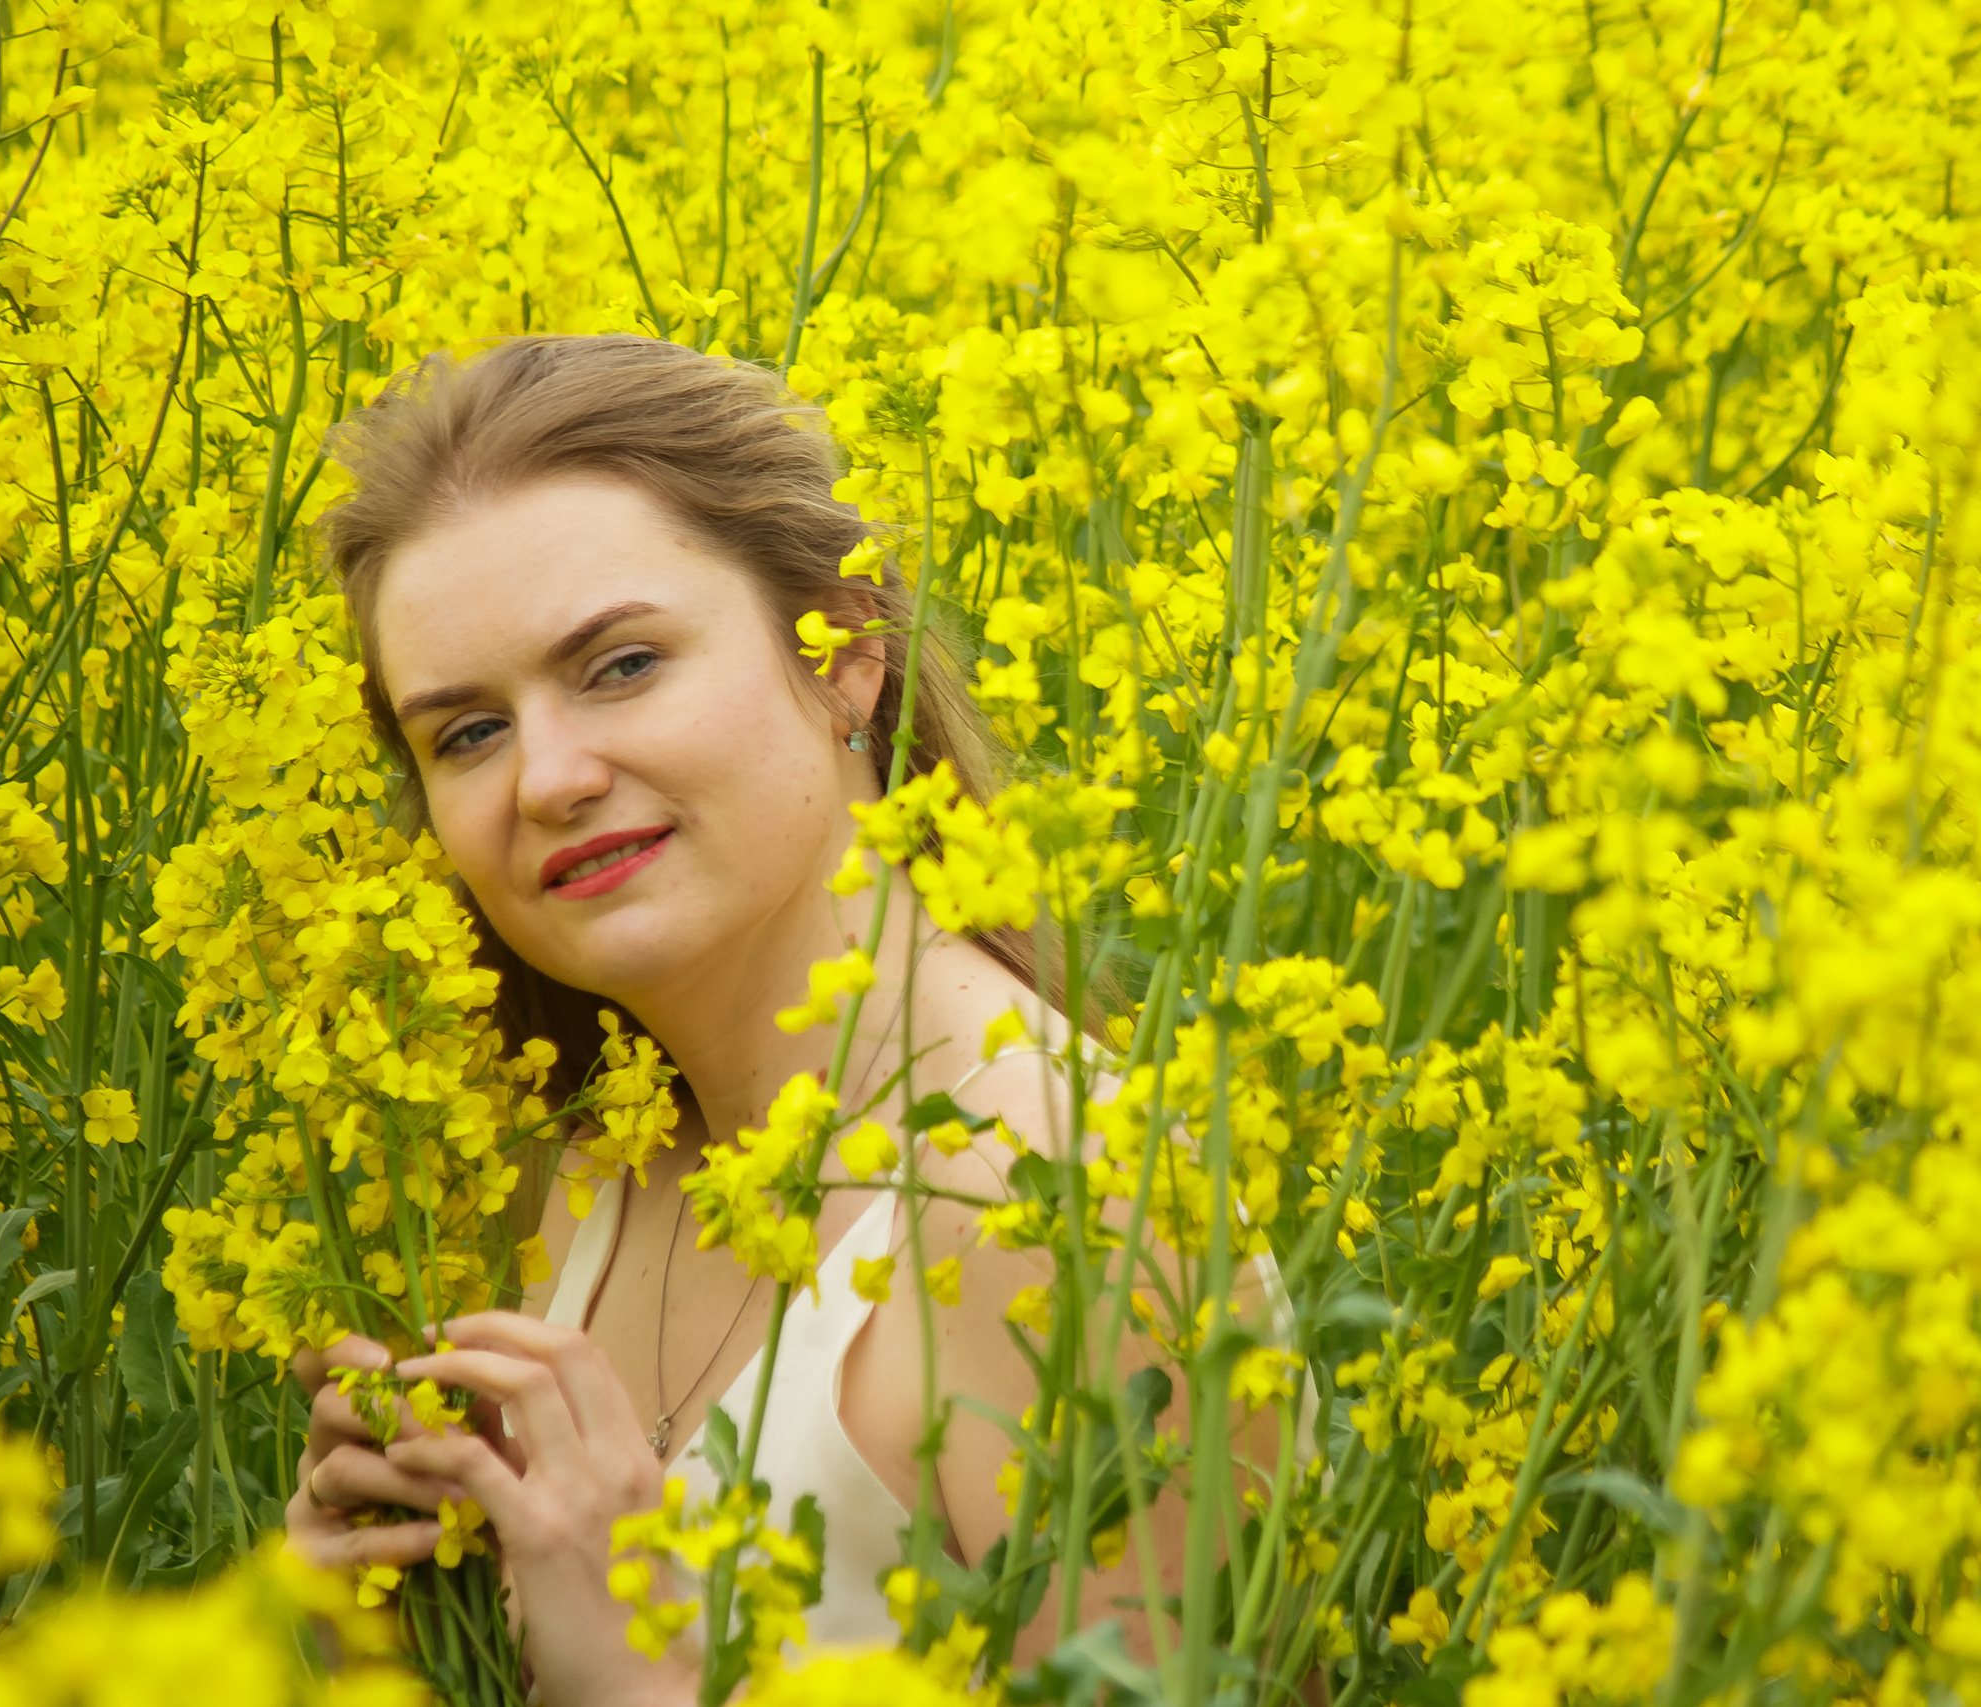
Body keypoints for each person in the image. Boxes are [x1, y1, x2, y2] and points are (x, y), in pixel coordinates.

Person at [279, 334, 1286, 1705]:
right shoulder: (575, 1175)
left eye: (620, 665)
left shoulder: (1062, 1199)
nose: (550, 779)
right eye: (466, 734)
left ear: (847, 655)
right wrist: (373, 1638)